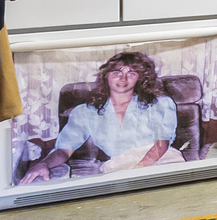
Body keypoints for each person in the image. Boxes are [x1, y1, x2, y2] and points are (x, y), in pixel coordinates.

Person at [20, 50, 182, 183]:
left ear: (140, 79)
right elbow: (63, 150)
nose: (123, 78)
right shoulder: (84, 112)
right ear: (106, 76)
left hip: (162, 161)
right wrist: (43, 164)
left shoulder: (160, 104)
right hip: (119, 167)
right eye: (117, 72)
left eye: (132, 73)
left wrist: (137, 172)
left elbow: (161, 145)